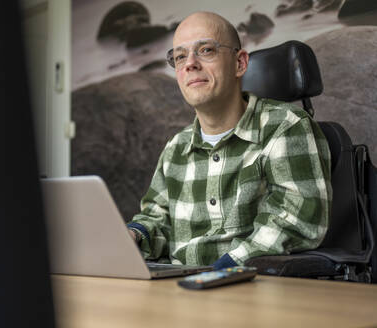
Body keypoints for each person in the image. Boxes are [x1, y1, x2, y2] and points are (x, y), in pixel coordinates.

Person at [126, 11, 332, 269]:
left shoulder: (286, 127)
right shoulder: (176, 147)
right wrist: (132, 236)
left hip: (252, 288)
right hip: (179, 288)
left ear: (240, 63)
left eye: (206, 50)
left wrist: (220, 270)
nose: (190, 63)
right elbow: (157, 218)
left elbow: (293, 221)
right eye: (180, 57)